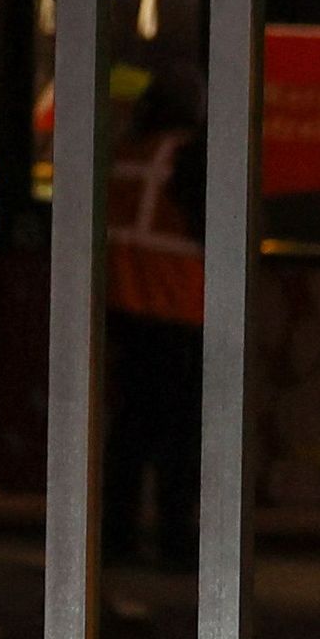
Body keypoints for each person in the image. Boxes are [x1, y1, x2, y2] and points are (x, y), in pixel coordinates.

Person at [102, 68, 209, 573]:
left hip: (125, 307)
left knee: (129, 428)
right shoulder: (192, 156)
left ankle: (115, 533)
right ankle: (173, 538)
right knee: (178, 435)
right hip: (178, 311)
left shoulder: (129, 153)